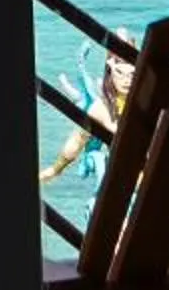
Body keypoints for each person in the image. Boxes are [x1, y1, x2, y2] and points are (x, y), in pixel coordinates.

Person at [40, 43, 136, 186]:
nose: (126, 80)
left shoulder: (146, 99)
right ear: (110, 71)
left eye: (132, 75)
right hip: (131, 172)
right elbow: (78, 140)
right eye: (120, 73)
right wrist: (56, 169)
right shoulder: (102, 108)